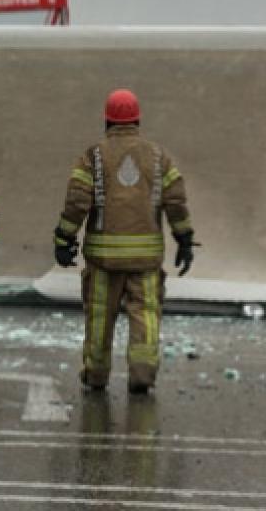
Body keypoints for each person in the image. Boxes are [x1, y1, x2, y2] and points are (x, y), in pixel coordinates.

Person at [52, 89, 195, 395]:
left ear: (107, 121)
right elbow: (176, 201)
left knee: (100, 315)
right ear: (137, 120)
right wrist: (184, 238)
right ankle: (142, 374)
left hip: (104, 259)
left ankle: (96, 374)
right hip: (145, 260)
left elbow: (77, 201)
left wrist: (64, 237)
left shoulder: (93, 156)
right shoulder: (159, 157)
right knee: (145, 315)